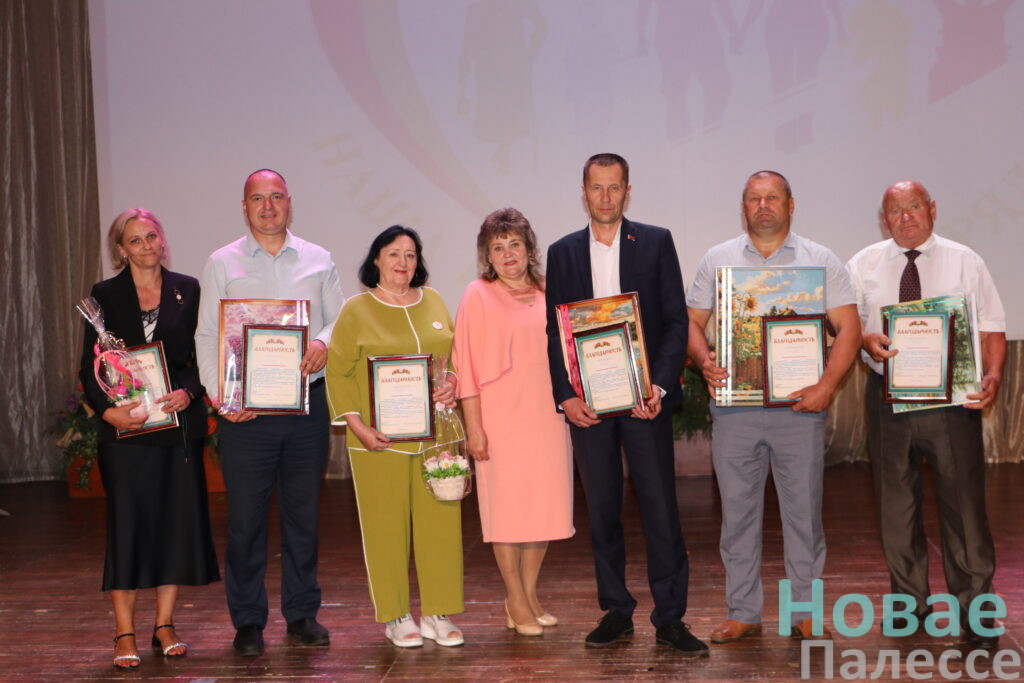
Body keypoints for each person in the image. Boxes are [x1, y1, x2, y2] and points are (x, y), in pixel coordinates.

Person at [686, 170, 861, 643]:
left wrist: (827, 385)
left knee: (803, 516)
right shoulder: (717, 259)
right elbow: (691, 321)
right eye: (754, 199)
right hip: (735, 411)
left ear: (790, 204)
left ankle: (804, 612)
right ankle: (743, 611)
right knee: (737, 517)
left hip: (800, 410)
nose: (763, 206)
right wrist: (702, 358)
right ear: (743, 206)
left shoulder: (820, 260)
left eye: (772, 198)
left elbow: (849, 328)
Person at [544, 153, 706, 655]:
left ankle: (670, 618)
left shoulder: (655, 242)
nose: (605, 197)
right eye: (597, 187)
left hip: (644, 403)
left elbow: (676, 322)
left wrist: (657, 388)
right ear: (584, 192)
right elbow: (555, 331)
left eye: (614, 187)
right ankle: (615, 610)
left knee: (660, 511)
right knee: (602, 511)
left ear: (628, 191)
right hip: (589, 406)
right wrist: (566, 395)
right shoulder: (563, 252)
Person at [846, 180, 1007, 650]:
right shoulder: (863, 264)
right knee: (895, 508)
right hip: (887, 397)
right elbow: (846, 327)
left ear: (932, 209)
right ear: (884, 219)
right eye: (895, 210)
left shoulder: (965, 260)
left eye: (914, 206)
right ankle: (909, 605)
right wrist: (864, 339)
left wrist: (993, 376)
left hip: (953, 401)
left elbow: (992, 328)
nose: (906, 217)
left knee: (964, 509)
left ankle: (976, 615)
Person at [195, 169, 344, 656]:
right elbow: (207, 334)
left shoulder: (318, 259)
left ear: (289, 202)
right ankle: (248, 620)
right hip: (247, 414)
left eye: (276, 196)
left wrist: (323, 342)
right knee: (245, 522)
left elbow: (340, 320)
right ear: (244, 207)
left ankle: (301, 613)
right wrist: (221, 398)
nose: (267, 206)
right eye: (257, 198)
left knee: (303, 518)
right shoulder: (222, 262)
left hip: (306, 408)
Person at [80, 208, 219, 669]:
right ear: (121, 250)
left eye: (152, 236)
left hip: (176, 427)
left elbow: (201, 356)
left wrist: (189, 392)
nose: (146, 246)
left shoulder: (188, 289)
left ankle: (164, 625)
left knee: (173, 526)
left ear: (163, 240)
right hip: (127, 431)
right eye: (135, 240)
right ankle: (124, 631)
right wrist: (109, 412)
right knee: (129, 527)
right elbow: (89, 366)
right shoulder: (104, 295)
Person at [326, 225, 465, 649]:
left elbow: (452, 358)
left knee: (441, 522)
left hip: (435, 436)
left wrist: (452, 382)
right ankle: (396, 615)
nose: (403, 262)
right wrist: (358, 427)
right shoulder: (356, 309)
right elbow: (338, 371)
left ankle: (438, 613)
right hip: (377, 440)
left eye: (410, 254)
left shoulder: (434, 300)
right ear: (376, 260)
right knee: (384, 527)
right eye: (393, 253)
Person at [452, 208, 574, 636]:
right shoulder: (477, 294)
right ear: (487, 255)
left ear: (529, 248)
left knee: (543, 507)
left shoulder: (550, 290)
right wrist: (474, 428)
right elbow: (465, 366)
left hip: (547, 415)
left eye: (515, 244)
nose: (507, 254)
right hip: (499, 417)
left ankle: (528, 594)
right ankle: (515, 598)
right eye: (498, 247)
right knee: (506, 512)